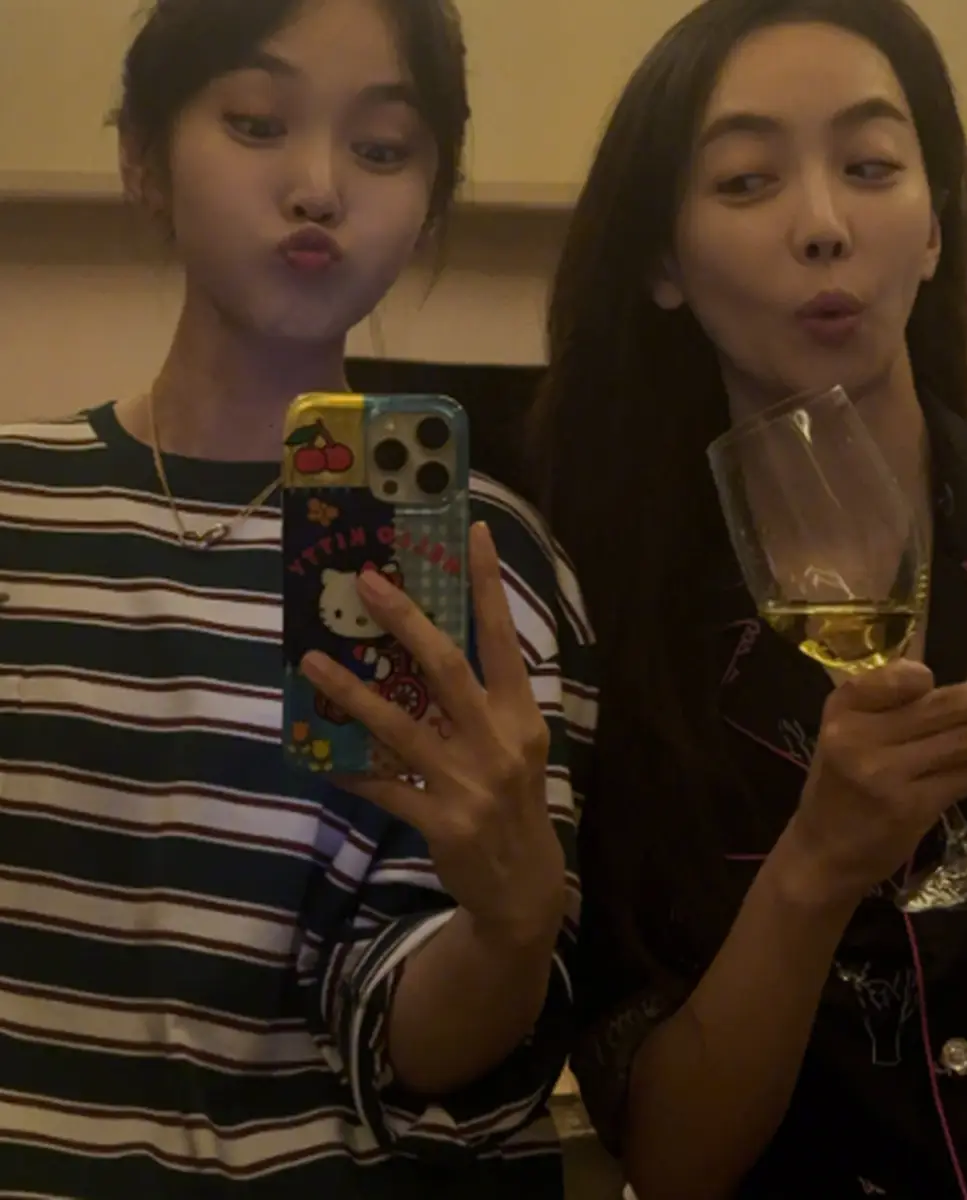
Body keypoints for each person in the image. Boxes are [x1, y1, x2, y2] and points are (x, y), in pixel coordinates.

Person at [0, 1, 596, 1196]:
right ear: (142, 158)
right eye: (257, 123)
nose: (320, 188)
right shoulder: (19, 502)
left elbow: (411, 1052)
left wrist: (511, 926)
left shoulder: (487, 564)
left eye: (381, 147)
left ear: (430, 198)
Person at [528, 0, 967, 1196]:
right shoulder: (600, 622)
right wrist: (815, 868)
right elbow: (670, 1158)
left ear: (932, 226)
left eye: (871, 167)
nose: (822, 226)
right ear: (660, 261)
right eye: (747, 181)